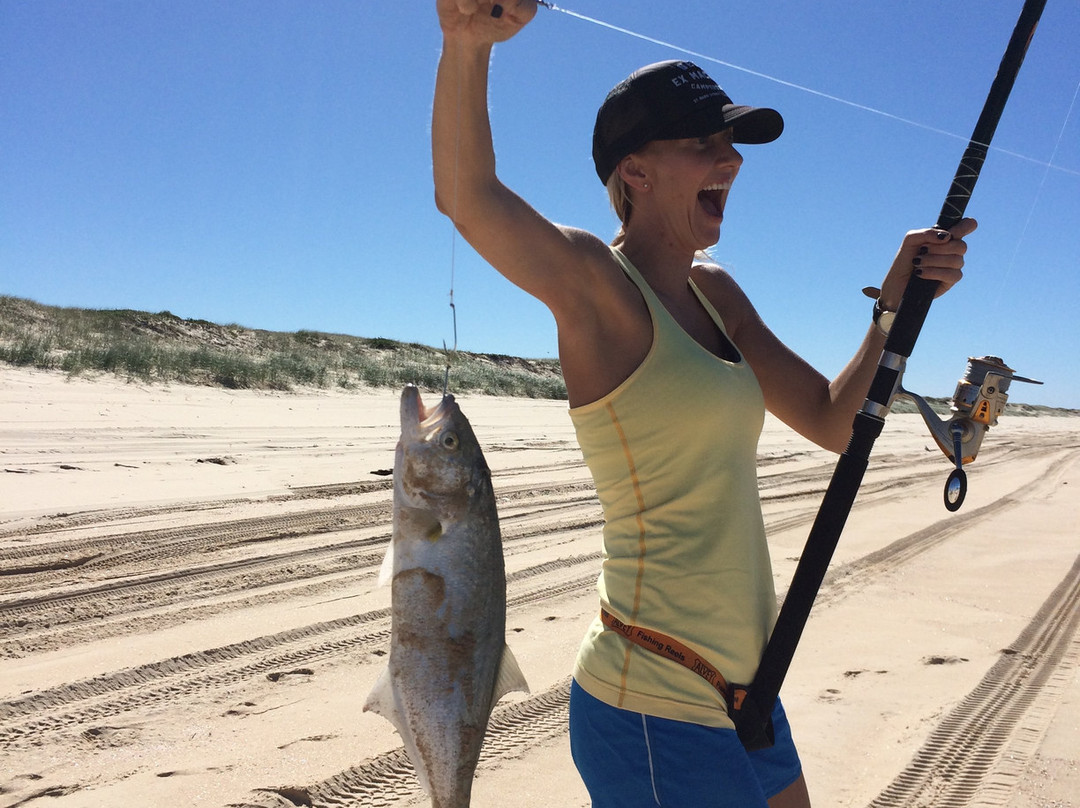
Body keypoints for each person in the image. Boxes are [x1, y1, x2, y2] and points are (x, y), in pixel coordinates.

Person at [432, 2, 975, 806]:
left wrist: (893, 309)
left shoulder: (717, 293)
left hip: (751, 687)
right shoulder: (598, 290)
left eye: (731, 144)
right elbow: (468, 197)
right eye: (705, 144)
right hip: (651, 694)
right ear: (635, 174)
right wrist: (466, 44)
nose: (732, 160)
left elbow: (832, 420)